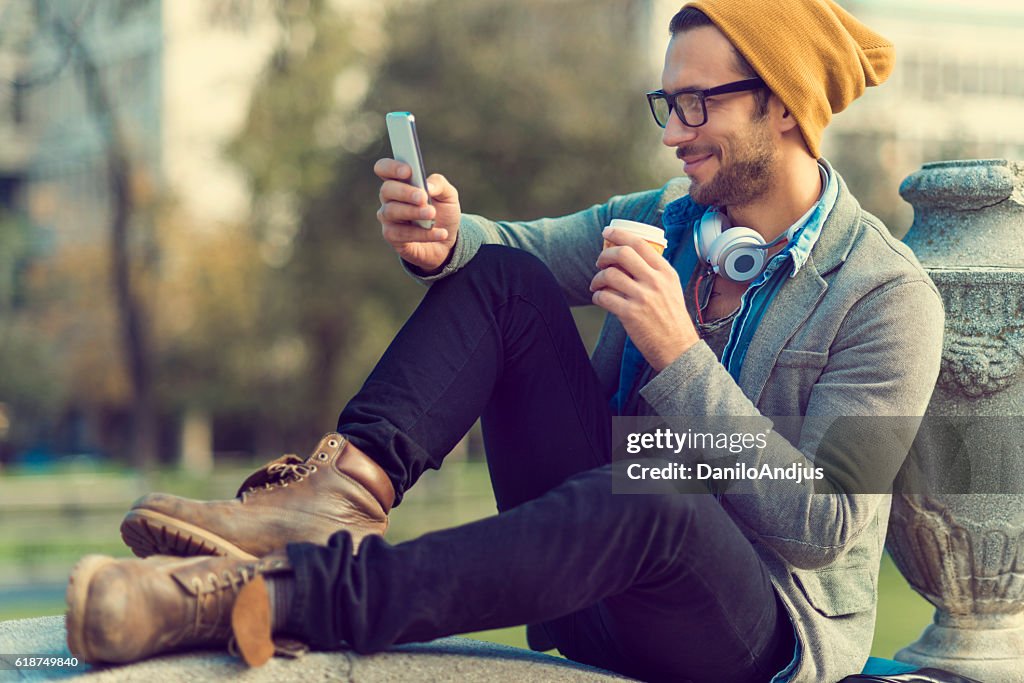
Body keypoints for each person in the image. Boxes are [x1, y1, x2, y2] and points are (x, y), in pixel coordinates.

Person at [64, 2, 945, 681]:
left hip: (753, 633)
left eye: (695, 105)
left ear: (784, 107)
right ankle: (333, 499)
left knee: (655, 490)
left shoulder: (885, 294)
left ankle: (270, 598)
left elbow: (827, 522)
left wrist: (682, 359)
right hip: (596, 580)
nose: (673, 134)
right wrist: (446, 235)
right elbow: (511, 251)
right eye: (665, 105)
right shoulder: (668, 218)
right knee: (501, 280)